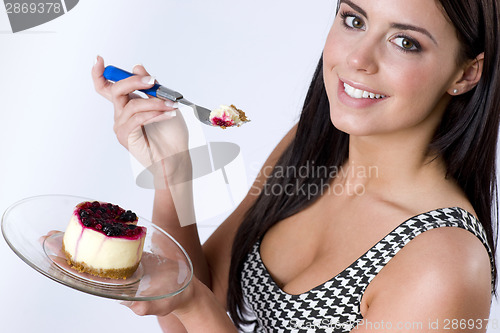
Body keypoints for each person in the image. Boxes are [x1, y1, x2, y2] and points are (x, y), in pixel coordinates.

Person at [91, 0, 500, 331]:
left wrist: (193, 303)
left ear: (466, 72)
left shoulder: (443, 267)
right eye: (354, 19)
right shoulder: (312, 145)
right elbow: (199, 299)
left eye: (405, 42)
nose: (358, 59)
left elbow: (195, 304)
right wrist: (172, 173)